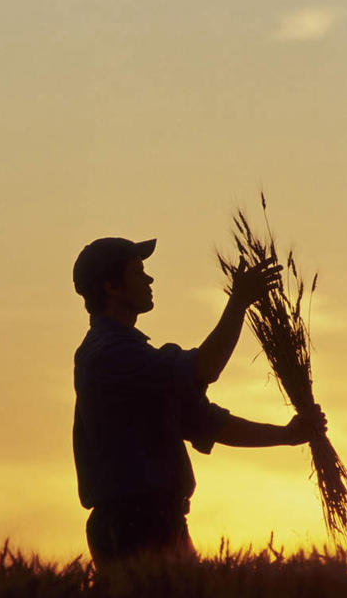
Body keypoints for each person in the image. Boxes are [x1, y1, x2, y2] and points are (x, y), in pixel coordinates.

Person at [72, 237, 327, 571]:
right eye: (139, 273)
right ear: (112, 286)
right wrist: (239, 303)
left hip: (156, 521)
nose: (150, 280)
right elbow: (203, 370)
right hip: (135, 526)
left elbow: (204, 421)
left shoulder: (133, 360)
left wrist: (287, 435)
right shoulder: (111, 355)